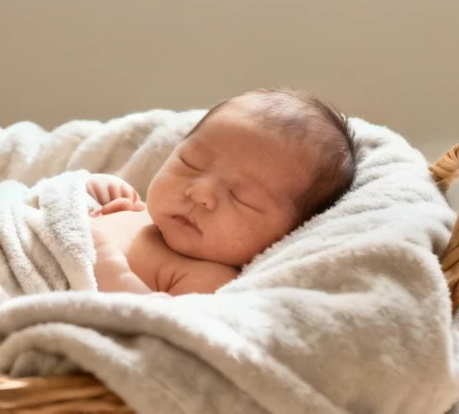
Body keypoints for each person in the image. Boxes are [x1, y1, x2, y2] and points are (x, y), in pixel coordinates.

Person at [87, 88, 356, 295]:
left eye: (242, 198)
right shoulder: (142, 211)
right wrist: (95, 190)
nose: (200, 193)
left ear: (285, 237)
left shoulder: (205, 278)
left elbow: (150, 322)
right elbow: (62, 201)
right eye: (190, 163)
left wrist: (107, 263)